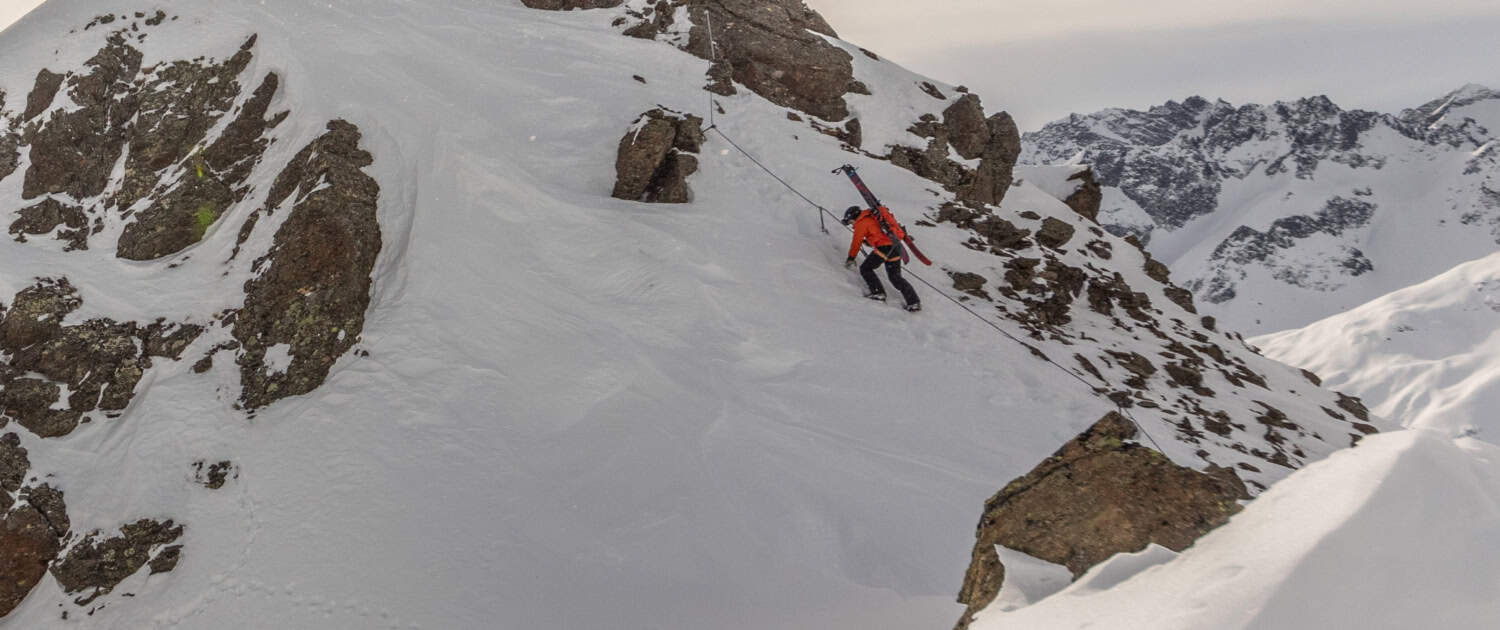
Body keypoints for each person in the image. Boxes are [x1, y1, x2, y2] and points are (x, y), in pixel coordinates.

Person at [842, 206, 921, 311]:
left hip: (884, 249)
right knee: (895, 277)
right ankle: (914, 302)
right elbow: (878, 233)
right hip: (895, 247)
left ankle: (878, 292)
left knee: (866, 269)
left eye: (851, 221)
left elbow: (856, 243)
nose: (852, 224)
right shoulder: (873, 217)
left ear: (854, 217)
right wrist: (870, 242)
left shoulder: (861, 222)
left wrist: (851, 257)